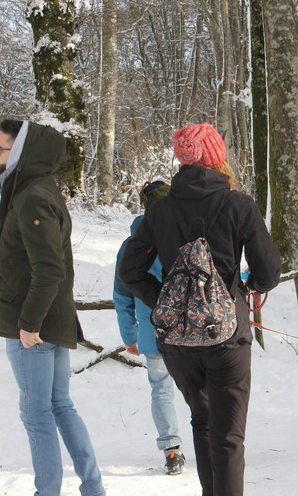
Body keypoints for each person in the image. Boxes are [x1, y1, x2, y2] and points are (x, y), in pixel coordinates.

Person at [118, 123, 282, 496]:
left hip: (178, 343)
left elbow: (130, 270)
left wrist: (166, 302)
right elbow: (269, 271)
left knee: (203, 423)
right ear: (216, 157)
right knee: (227, 439)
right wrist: (249, 286)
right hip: (227, 338)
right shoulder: (238, 204)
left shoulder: (158, 212)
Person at [0, 120, 105, 495]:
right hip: (47, 319)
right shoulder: (31, 191)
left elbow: (50, 268)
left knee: (38, 413)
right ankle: (93, 488)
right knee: (59, 405)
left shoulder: (31, 196)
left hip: (34, 325)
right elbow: (33, 256)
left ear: (21, 153)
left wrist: (28, 324)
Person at [113, 180, 186, 476]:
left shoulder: (131, 244)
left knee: (162, 390)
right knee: (202, 387)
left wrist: (129, 334)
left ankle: (172, 451)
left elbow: (122, 294)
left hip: (152, 331)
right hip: (188, 328)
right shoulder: (186, 234)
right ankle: (213, 444)